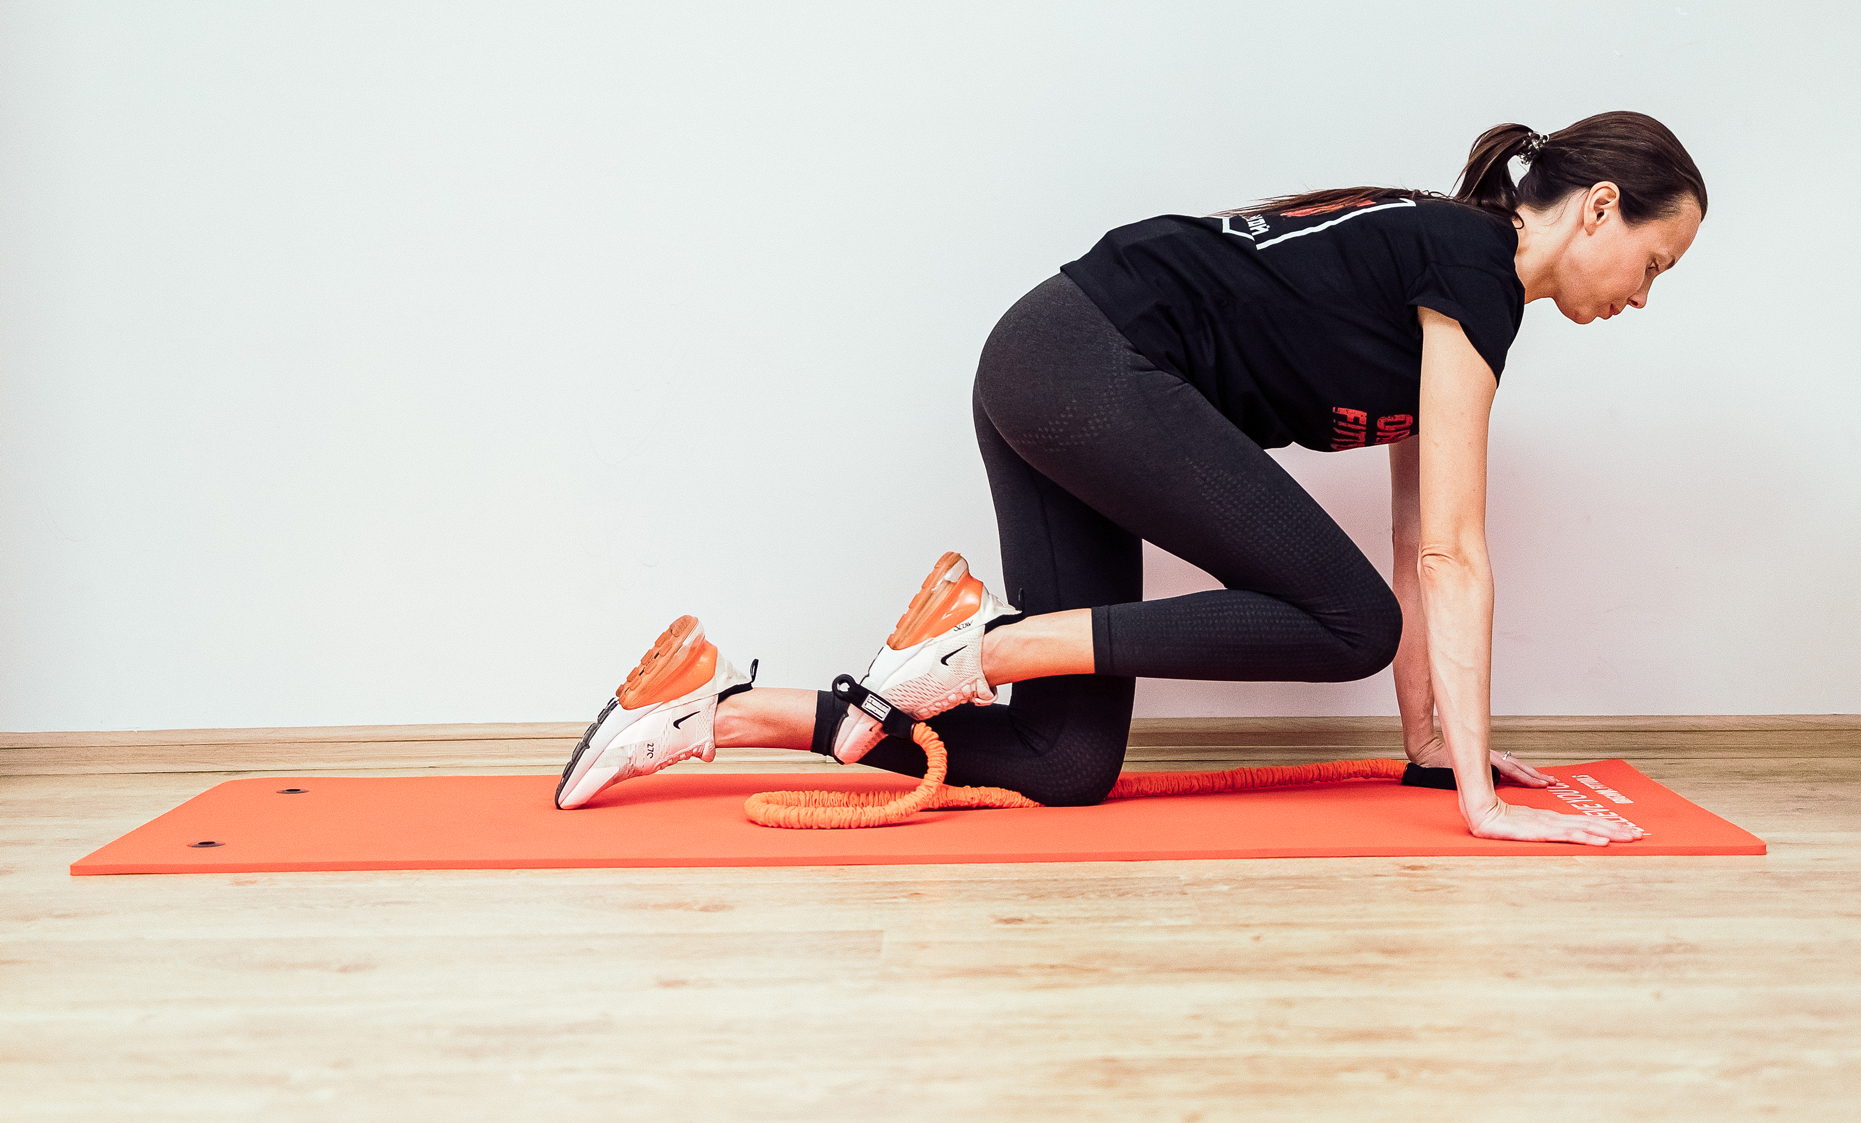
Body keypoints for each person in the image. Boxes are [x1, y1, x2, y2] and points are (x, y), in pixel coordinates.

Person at [556, 111, 1706, 847]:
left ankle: (712, 711)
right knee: (1350, 622)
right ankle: (984, 647)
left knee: (1063, 763)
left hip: (1054, 362)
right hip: (1085, 364)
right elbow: (1453, 556)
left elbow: (1422, 536)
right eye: (1652, 262)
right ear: (1600, 208)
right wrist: (1482, 809)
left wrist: (1436, 750)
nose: (1643, 295)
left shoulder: (1450, 272)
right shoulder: (1471, 264)